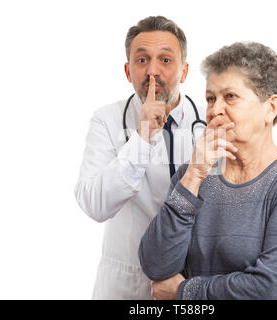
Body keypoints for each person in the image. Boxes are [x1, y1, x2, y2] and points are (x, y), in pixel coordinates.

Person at [138, 41, 277, 300]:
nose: (215, 110)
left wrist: (185, 291)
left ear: (270, 107)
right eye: (210, 98)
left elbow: (275, 290)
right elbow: (156, 268)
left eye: (230, 97)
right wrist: (193, 176)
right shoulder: (191, 175)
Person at [74, 16, 205, 299]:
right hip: (129, 284)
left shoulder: (209, 123)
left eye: (166, 60)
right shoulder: (106, 120)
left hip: (194, 283)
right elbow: (94, 204)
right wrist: (142, 136)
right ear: (128, 70)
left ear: (184, 71)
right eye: (142, 60)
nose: (152, 71)